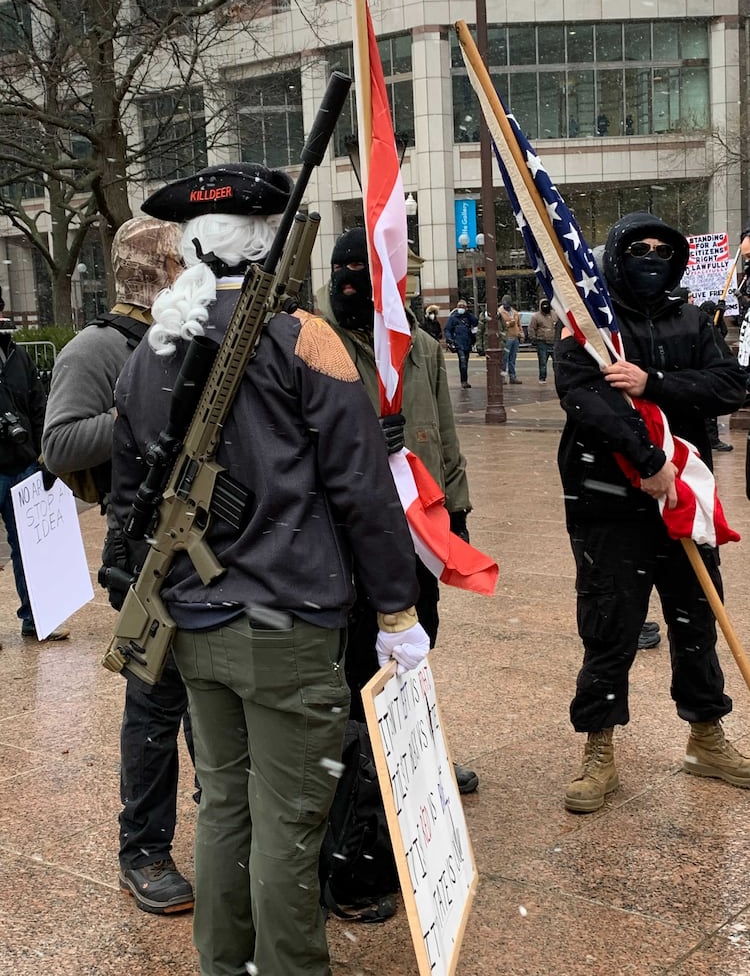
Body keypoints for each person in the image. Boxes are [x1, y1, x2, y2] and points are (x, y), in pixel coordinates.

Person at [110, 166, 428, 976]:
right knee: (288, 822)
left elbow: (126, 493)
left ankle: (227, 965)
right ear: (270, 243)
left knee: (224, 808)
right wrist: (398, 611)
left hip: (193, 619)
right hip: (287, 622)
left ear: (192, 245)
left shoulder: (152, 349)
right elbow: (362, 489)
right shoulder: (305, 339)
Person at [555, 211, 749, 814]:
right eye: (637, 247)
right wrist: (645, 462)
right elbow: (585, 396)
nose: (650, 256)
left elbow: (728, 386)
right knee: (609, 627)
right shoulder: (588, 322)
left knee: (696, 623)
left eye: (663, 248)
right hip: (608, 504)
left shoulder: (693, 319)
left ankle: (706, 736)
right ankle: (599, 746)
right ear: (615, 255)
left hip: (682, 501)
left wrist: (655, 381)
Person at [41, 216, 197, 915]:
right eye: (171, 260)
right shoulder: (97, 349)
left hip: (205, 538)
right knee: (156, 703)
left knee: (210, 695)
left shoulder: (187, 334)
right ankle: (143, 849)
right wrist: (139, 417)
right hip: (142, 546)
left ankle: (219, 817)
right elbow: (61, 445)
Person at [319, 226, 479, 796]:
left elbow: (444, 437)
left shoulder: (421, 347)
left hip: (417, 528)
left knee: (416, 639)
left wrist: (455, 512)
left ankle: (416, 752)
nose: (351, 281)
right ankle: (360, 768)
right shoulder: (313, 343)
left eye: (366, 270)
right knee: (358, 648)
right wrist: (363, 438)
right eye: (344, 268)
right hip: (346, 529)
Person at [0, 309, 69, 643]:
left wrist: (46, 457)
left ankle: (35, 619)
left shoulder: (18, 356)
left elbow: (40, 406)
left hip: (24, 465)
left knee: (28, 549)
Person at [697, 299, 733, 453]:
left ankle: (711, 438)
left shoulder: (710, 325)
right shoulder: (695, 323)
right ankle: (711, 438)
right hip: (701, 373)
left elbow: (720, 334)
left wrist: (721, 315)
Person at [444, 297, 478, 388]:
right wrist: (450, 339)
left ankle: (464, 380)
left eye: (463, 307)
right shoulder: (453, 318)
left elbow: (475, 322)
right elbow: (447, 329)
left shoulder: (468, 317)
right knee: (462, 362)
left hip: (467, 343)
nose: (461, 308)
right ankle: (464, 381)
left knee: (465, 363)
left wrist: (468, 313)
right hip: (458, 343)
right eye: (459, 306)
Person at [528, 297, 555, 383]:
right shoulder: (536, 317)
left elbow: (559, 327)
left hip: (554, 341)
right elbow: (531, 328)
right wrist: (533, 338)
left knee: (557, 362)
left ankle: (558, 377)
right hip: (542, 342)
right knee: (543, 361)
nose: (546, 307)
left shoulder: (555, 315)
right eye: (544, 305)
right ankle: (542, 378)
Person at [499, 293, 523, 383]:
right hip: (506, 338)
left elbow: (519, 325)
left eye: (508, 304)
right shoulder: (500, 312)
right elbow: (500, 326)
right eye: (505, 304)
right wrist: (509, 324)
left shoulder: (515, 312)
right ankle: (502, 377)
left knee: (512, 359)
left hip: (515, 337)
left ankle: (512, 377)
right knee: (504, 359)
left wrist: (521, 334)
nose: (506, 306)